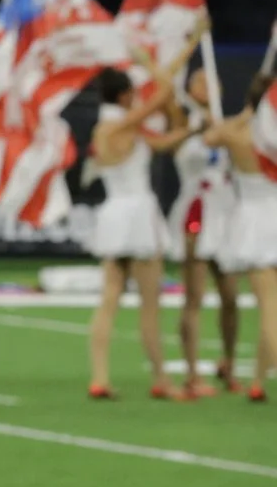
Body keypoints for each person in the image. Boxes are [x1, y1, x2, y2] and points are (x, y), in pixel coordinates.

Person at [80, 63, 194, 400]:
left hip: (114, 215)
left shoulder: (109, 128)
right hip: (138, 215)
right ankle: (162, 380)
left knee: (109, 300)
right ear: (124, 95)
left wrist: (193, 130)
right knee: (149, 305)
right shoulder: (121, 124)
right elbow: (162, 95)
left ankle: (99, 378)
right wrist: (154, 64)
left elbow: (160, 143)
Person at [196, 70, 277, 401]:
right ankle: (257, 381)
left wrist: (245, 112)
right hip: (267, 212)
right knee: (272, 309)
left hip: (257, 220)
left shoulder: (239, 131)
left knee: (269, 308)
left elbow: (210, 138)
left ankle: (259, 380)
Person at [170, 67, 241, 397]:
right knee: (194, 296)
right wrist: (195, 130)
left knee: (231, 296)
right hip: (197, 209)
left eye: (212, 81)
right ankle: (191, 373)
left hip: (224, 212)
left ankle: (229, 363)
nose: (207, 86)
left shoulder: (227, 124)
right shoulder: (181, 120)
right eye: (199, 81)